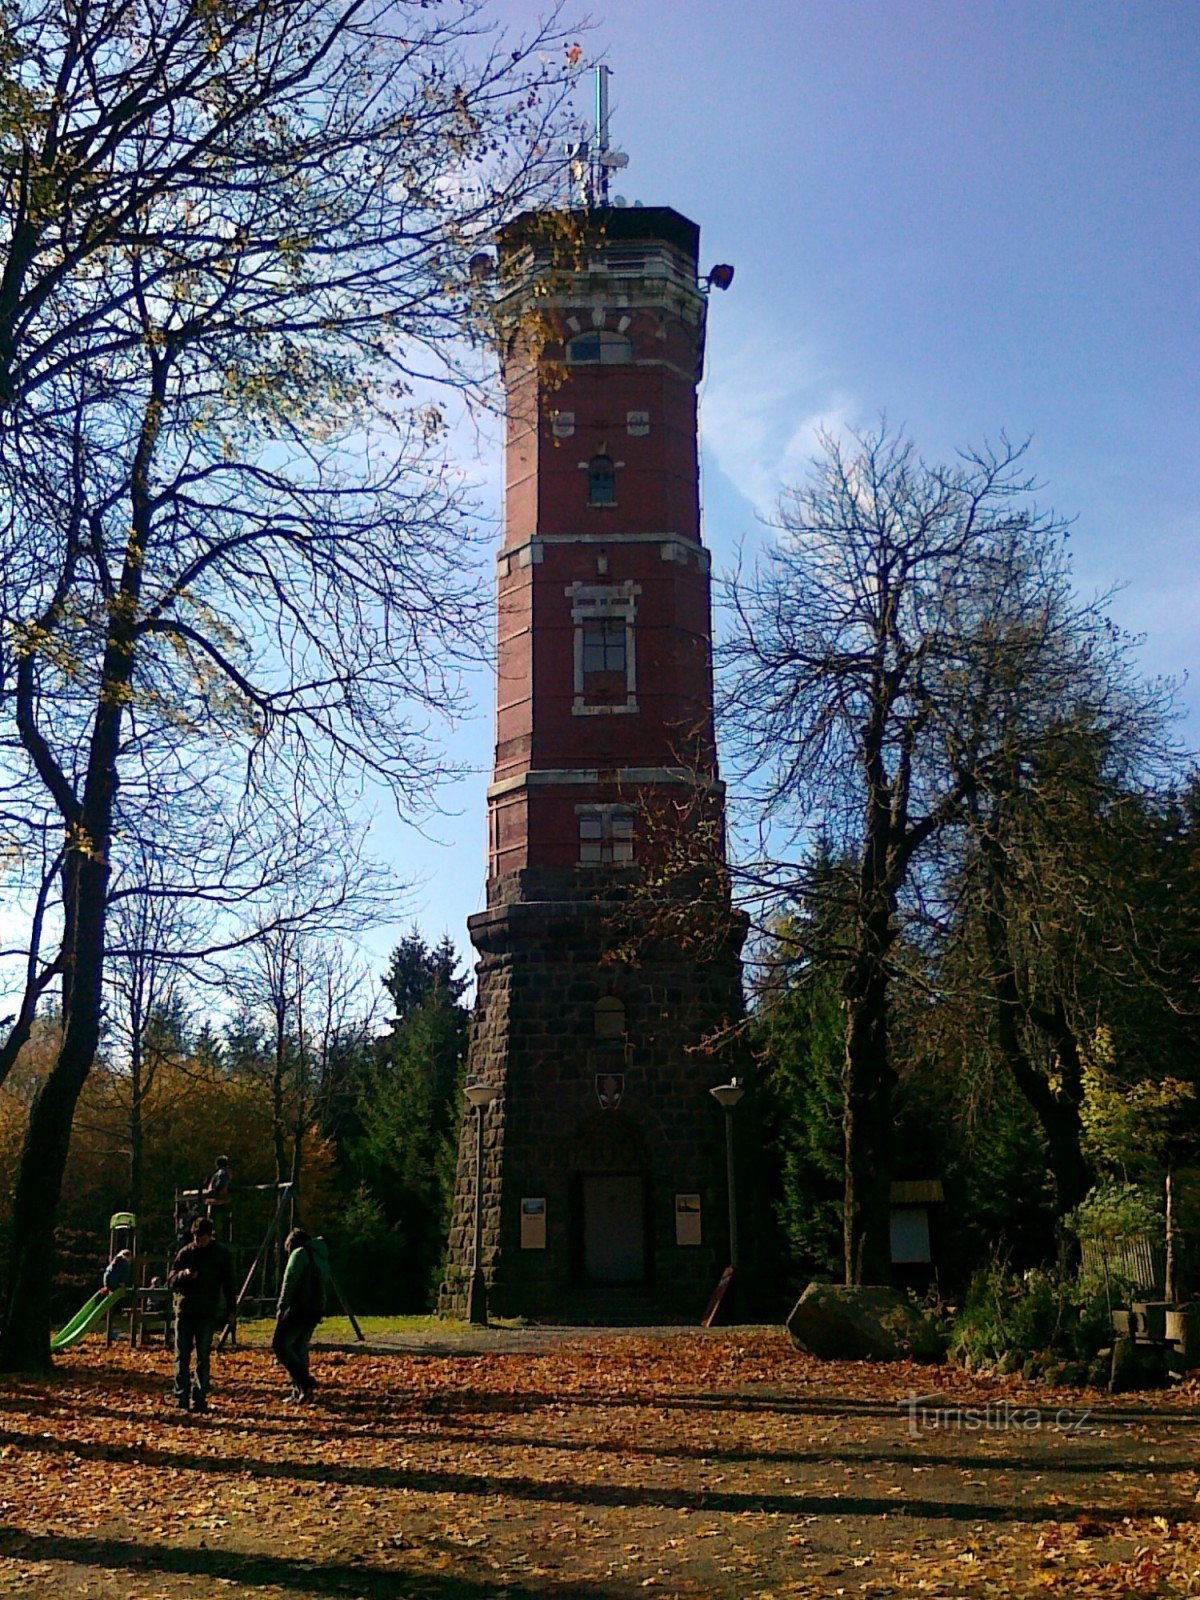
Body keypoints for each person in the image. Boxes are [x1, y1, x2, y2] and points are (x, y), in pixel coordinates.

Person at [167, 1216, 236, 1414]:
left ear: (209, 1236)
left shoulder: (220, 1255)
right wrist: (184, 1275)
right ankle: (181, 1396)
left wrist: (231, 1310)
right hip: (185, 1309)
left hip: (207, 1311)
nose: (199, 1241)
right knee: (182, 1355)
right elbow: (171, 1279)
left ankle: (199, 1397)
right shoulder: (185, 1253)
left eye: (202, 1237)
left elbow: (230, 1284)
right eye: (196, 1237)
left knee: (202, 1356)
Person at [271, 1227, 330, 1403]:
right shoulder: (320, 1256)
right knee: (299, 1348)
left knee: (280, 1345)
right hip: (314, 1309)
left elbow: (290, 1282)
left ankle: (305, 1383)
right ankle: (301, 1392)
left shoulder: (299, 1254)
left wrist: (281, 1307)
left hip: (299, 1308)